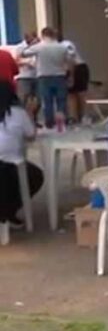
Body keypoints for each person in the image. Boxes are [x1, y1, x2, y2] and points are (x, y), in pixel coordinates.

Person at [0, 82, 42, 229]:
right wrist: (30, 113)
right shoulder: (18, 113)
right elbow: (31, 135)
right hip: (11, 166)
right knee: (35, 176)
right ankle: (9, 210)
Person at [22, 27, 71, 129]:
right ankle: (62, 120)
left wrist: (33, 43)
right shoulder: (62, 47)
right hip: (59, 75)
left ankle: (50, 123)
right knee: (61, 100)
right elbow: (68, 60)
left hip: (44, 76)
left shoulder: (39, 47)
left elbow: (24, 53)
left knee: (47, 101)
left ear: (43, 35)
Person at [58, 31, 91, 125]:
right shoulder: (56, 47)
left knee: (81, 94)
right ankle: (74, 117)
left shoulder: (66, 45)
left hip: (78, 68)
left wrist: (71, 76)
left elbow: (71, 61)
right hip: (68, 70)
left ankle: (84, 116)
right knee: (71, 94)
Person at [14, 32, 39, 125]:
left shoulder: (38, 47)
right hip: (24, 76)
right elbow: (16, 60)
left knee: (38, 99)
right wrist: (27, 63)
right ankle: (22, 121)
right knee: (23, 99)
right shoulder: (20, 47)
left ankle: (33, 118)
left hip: (36, 75)